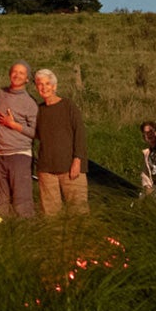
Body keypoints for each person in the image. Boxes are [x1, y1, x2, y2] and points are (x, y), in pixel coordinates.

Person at [0, 62, 39, 218]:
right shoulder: (2, 93)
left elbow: (36, 132)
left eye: (21, 73)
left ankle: (26, 236)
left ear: (27, 79)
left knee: (22, 203)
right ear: (9, 73)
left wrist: (14, 125)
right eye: (14, 71)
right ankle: (4, 237)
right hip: (0, 155)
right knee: (2, 202)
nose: (17, 75)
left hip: (19, 156)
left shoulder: (30, 103)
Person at [32, 68, 88, 216]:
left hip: (71, 169)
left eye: (47, 83)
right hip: (46, 170)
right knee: (51, 216)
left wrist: (77, 161)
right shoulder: (38, 110)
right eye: (40, 84)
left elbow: (80, 133)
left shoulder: (68, 105)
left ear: (54, 86)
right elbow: (33, 134)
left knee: (79, 213)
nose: (44, 87)